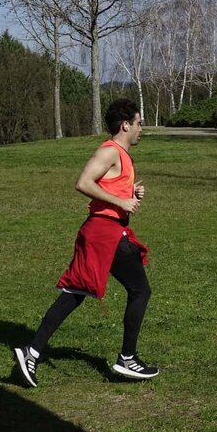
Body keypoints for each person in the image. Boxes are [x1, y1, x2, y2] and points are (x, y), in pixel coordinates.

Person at [13, 99, 158, 387]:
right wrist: (121, 201)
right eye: (140, 123)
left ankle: (31, 352)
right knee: (140, 290)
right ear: (125, 124)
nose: (142, 128)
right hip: (106, 234)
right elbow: (83, 182)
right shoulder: (109, 151)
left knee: (74, 294)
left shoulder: (121, 155)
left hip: (103, 232)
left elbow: (105, 185)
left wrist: (130, 191)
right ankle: (127, 358)